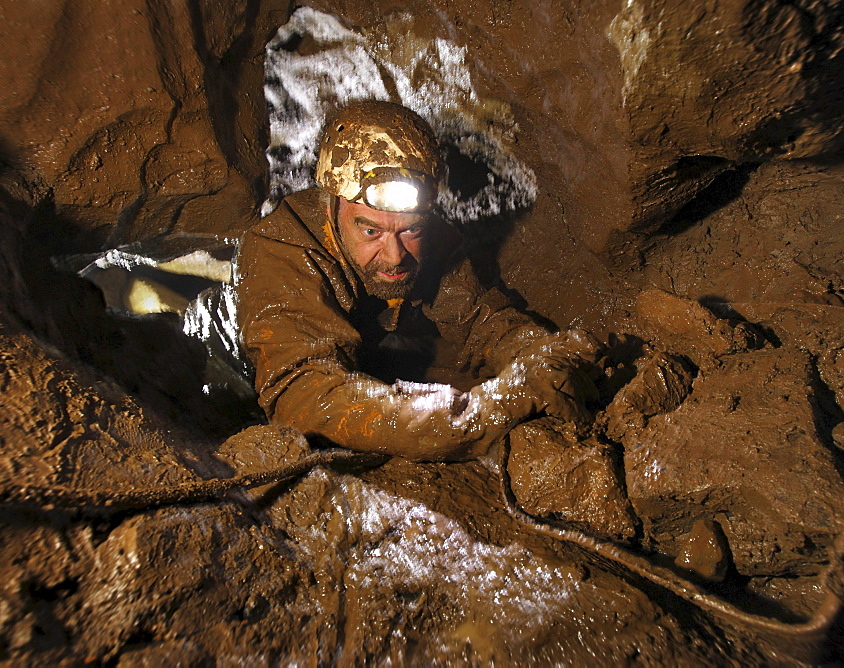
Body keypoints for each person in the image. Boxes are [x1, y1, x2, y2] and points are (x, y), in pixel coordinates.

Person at [235, 100, 602, 461]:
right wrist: (479, 413)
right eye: (370, 230)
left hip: (366, 341)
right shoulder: (281, 248)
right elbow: (303, 395)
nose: (395, 256)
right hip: (258, 345)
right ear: (333, 204)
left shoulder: (432, 238)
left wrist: (541, 355)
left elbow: (483, 319)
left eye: (410, 229)